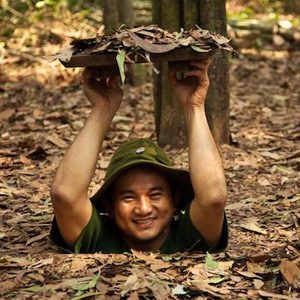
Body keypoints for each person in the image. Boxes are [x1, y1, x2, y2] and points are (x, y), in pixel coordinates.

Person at [50, 59, 228, 253]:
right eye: (128, 197)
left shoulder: (188, 238)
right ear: (109, 206)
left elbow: (214, 197)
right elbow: (65, 195)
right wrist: (102, 109)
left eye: (155, 195)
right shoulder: (99, 237)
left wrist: (194, 107)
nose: (144, 209)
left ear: (175, 199)